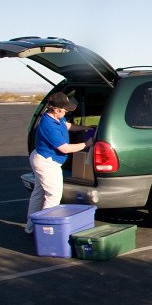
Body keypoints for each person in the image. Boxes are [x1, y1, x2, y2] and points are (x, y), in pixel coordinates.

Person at [25, 92, 94, 234]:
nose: (66, 111)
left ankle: (31, 226)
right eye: (65, 110)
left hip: (42, 158)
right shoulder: (48, 125)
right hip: (46, 163)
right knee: (53, 196)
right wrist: (86, 144)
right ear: (56, 109)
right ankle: (45, 231)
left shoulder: (57, 118)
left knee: (38, 193)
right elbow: (64, 148)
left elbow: (67, 125)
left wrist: (85, 128)